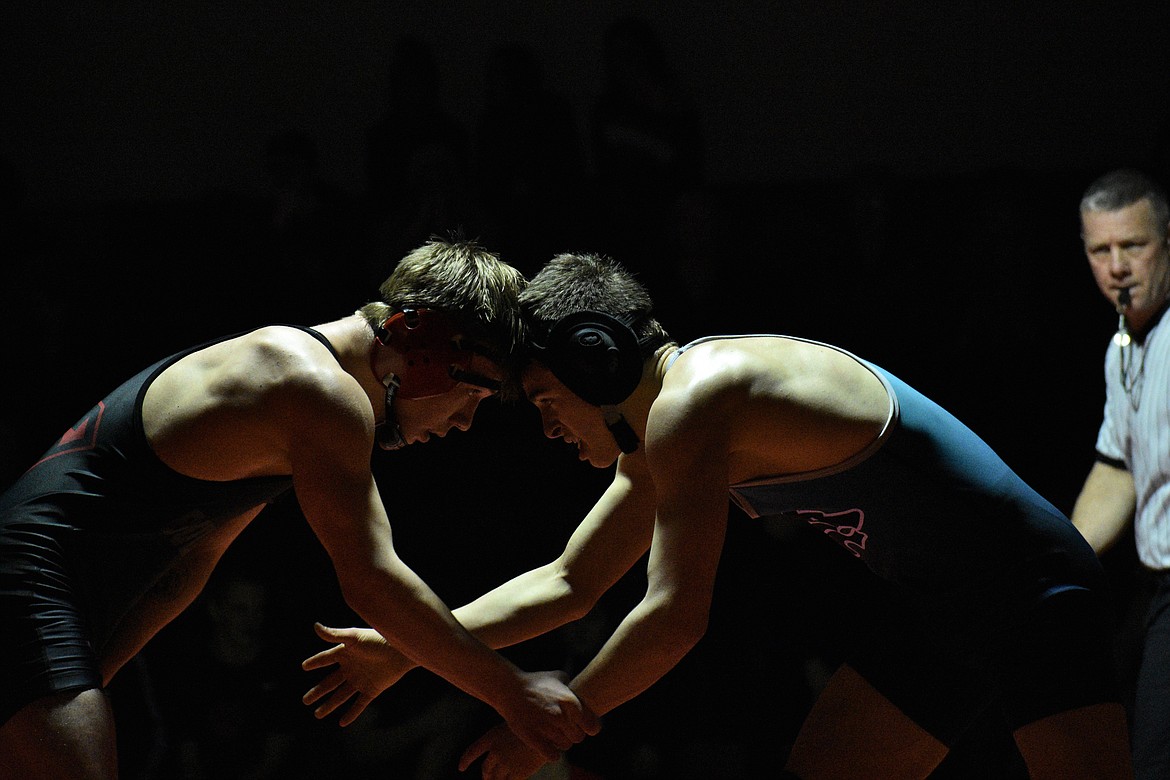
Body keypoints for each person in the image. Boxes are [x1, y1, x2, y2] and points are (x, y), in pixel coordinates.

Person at [302, 252, 1133, 779]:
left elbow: (673, 616)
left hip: (1030, 595)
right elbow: (569, 582)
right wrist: (407, 649)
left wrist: (551, 725)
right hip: (937, 612)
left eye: (550, 401)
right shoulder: (675, 428)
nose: (550, 429)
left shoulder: (702, 396)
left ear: (599, 363)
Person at [0, 237, 599, 780]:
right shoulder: (317, 389)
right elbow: (372, 581)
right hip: (26, 570)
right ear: (420, 342)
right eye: (474, 391)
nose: (464, 421)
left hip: (50, 586)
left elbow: (188, 564)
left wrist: (92, 670)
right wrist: (512, 691)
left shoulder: (302, 399)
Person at [1071, 168, 1170, 779]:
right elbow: (1118, 473)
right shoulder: (1123, 349)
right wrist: (1050, 560)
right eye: (1100, 250)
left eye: (1133, 246)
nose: (1117, 266)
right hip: (1157, 588)